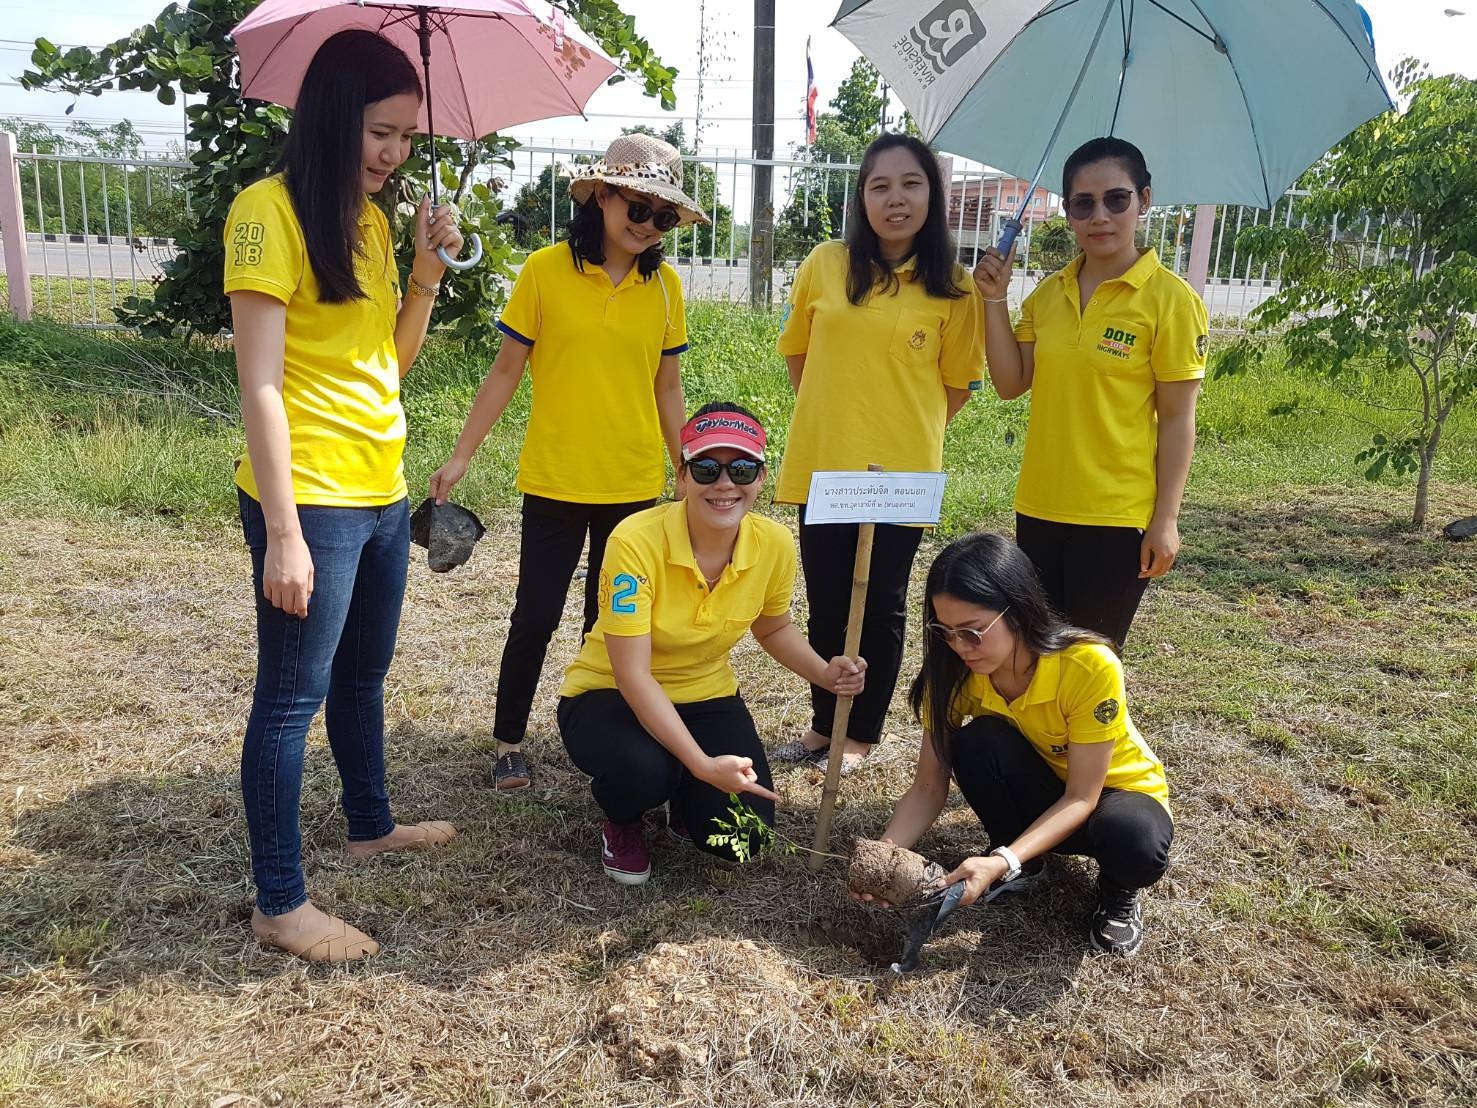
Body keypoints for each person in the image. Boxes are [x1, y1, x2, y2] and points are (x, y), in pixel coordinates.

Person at [226, 29, 465, 963]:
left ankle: (371, 824)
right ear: (332, 117)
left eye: (406, 136)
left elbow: (386, 365)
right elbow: (260, 384)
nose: (394, 153)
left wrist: (426, 275)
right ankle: (279, 903)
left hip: (380, 488)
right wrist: (284, 532)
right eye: (379, 132)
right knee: (292, 700)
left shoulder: (369, 221)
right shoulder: (267, 212)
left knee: (364, 675)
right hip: (311, 498)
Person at [429, 133, 706, 792]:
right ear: (601, 197)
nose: (647, 224)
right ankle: (508, 740)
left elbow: (667, 387)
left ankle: (599, 738)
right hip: (555, 478)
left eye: (663, 216)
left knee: (611, 624)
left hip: (632, 484)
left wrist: (687, 467)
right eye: (637, 207)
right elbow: (505, 371)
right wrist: (462, 455)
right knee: (535, 615)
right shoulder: (545, 271)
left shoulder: (665, 287)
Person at [557, 404, 867, 884]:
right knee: (642, 771)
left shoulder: (775, 544)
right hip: (610, 694)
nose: (724, 484)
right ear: (682, 477)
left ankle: (683, 791)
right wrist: (701, 764)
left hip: (706, 694)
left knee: (744, 838)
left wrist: (825, 674)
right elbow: (632, 674)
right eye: (706, 468)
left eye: (741, 469)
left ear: (761, 478)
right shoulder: (633, 541)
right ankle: (623, 818)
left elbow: (773, 628)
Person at [772, 134, 986, 773]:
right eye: (880, 186)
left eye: (911, 184)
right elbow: (798, 353)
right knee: (828, 600)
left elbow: (956, 387)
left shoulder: (956, 287)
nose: (896, 199)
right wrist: (836, 416)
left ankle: (861, 734)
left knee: (884, 602)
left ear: (933, 196)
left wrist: (899, 430)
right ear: (861, 198)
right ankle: (824, 725)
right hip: (826, 465)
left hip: (901, 476)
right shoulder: (826, 264)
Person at [854, 532, 1173, 957]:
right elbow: (929, 787)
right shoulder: (953, 674)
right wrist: (886, 854)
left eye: (973, 632)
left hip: (1109, 797)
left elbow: (1082, 796)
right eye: (945, 631)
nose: (959, 646)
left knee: (1132, 838)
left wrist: (1001, 860)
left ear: (1018, 611)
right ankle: (1026, 862)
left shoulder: (1087, 665)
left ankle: (1117, 891)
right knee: (977, 741)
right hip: (1044, 795)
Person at [973, 137, 1209, 651]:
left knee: (1088, 661)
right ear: (1068, 212)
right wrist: (993, 299)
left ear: (1144, 200)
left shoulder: (1171, 301)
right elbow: (1011, 384)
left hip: (1115, 517)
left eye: (1116, 199)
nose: (1099, 216)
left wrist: (1166, 519)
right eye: (1083, 204)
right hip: (1040, 506)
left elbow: (1177, 418)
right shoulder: (1048, 294)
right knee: (1034, 654)